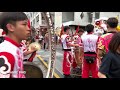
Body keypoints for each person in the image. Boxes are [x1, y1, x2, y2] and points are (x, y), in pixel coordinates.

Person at [0, 12, 31, 78]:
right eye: (24, 24)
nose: (28, 29)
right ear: (10, 27)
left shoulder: (15, 48)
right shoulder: (6, 53)